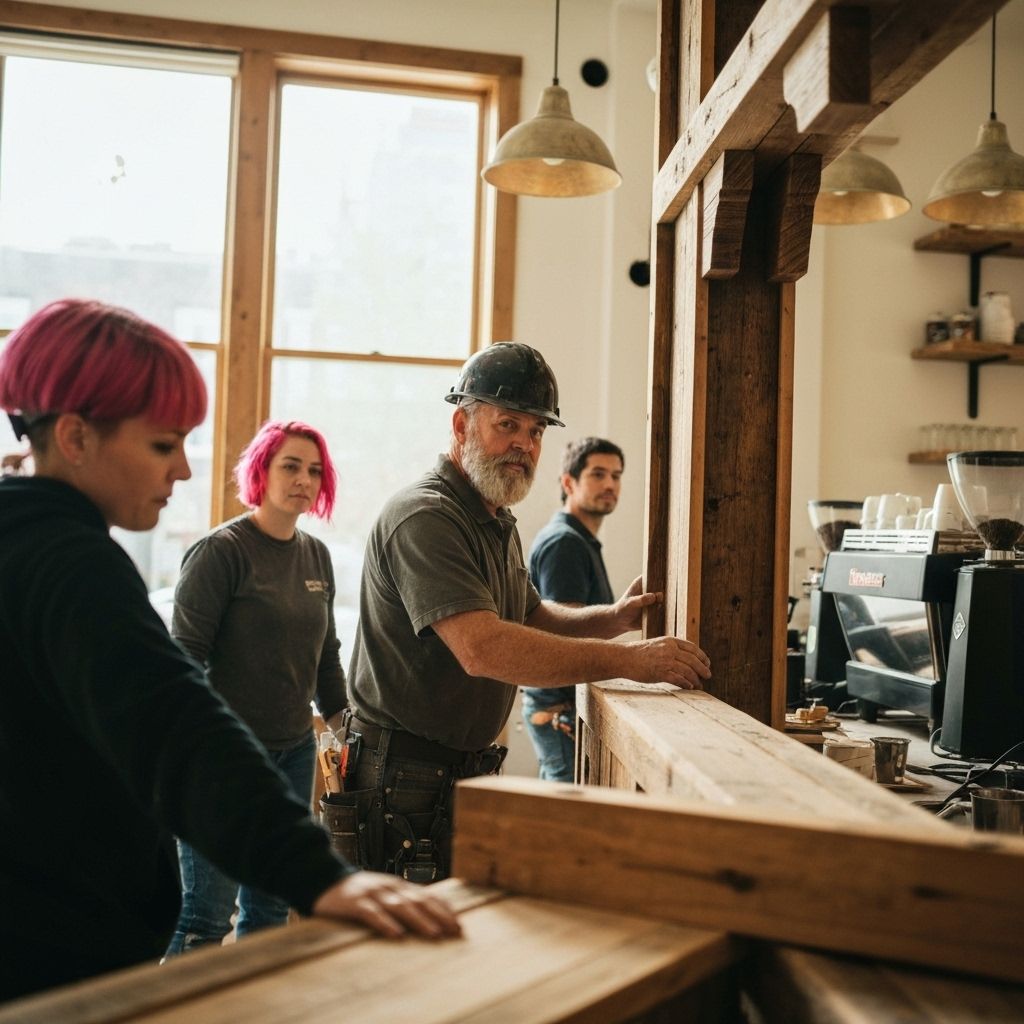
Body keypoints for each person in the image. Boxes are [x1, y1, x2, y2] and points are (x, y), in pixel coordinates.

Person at [0, 300, 459, 1003]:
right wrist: (322, 874)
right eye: (162, 444)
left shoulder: (30, 536)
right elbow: (173, 718)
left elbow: (320, 657)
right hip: (51, 961)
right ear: (75, 436)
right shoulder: (70, 560)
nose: (183, 470)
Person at [344, 342, 711, 882]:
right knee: (399, 953)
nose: (523, 445)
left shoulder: (495, 518)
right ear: (462, 424)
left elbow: (532, 617)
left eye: (536, 432)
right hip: (400, 775)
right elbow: (484, 647)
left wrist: (617, 618)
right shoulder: (425, 516)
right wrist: (632, 663)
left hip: (452, 771)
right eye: (507, 425)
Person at [165, 420, 349, 955]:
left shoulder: (316, 556)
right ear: (261, 470)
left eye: (314, 470)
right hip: (222, 759)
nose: (303, 479)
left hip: (294, 754)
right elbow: (183, 661)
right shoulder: (221, 552)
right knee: (205, 916)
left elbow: (326, 658)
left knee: (270, 907)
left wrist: (344, 731)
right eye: (290, 465)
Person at [524, 437, 625, 781]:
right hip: (562, 710)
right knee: (566, 824)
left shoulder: (579, 540)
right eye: (598, 474)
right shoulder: (564, 543)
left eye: (616, 475)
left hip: (566, 708)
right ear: (569, 482)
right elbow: (564, 633)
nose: (610, 484)